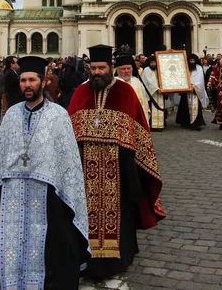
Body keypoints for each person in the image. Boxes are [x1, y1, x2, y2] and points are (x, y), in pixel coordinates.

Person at [0, 55, 90, 290]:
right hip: (13, 193)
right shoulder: (12, 115)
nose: (27, 85)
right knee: (14, 243)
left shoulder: (58, 115)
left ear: (43, 82)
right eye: (23, 80)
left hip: (46, 194)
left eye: (32, 80)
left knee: (49, 246)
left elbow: (69, 161)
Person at [68, 44, 165, 280]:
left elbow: (139, 129)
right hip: (85, 169)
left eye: (101, 68)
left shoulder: (126, 92)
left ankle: (120, 256)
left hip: (120, 168)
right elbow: (67, 130)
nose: (97, 72)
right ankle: (87, 257)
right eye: (93, 68)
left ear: (111, 68)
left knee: (122, 214)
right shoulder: (81, 92)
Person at [115, 53, 150, 124]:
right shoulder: (114, 83)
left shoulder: (137, 82)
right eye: (123, 69)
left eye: (128, 68)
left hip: (136, 118)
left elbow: (144, 101)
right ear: (118, 71)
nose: (127, 71)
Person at [175, 54, 207, 130]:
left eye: (193, 60)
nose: (192, 62)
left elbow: (200, 80)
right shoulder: (185, 67)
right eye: (190, 60)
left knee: (195, 107)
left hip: (195, 91)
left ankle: (196, 123)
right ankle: (185, 122)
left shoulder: (199, 68)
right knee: (185, 107)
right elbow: (182, 77)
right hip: (186, 91)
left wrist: (193, 86)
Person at [141, 54, 165, 131]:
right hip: (151, 93)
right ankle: (152, 125)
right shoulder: (146, 70)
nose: (153, 64)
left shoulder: (160, 69)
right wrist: (156, 88)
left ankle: (160, 125)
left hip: (160, 92)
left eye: (154, 62)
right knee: (152, 108)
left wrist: (163, 88)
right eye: (152, 63)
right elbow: (147, 81)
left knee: (160, 108)